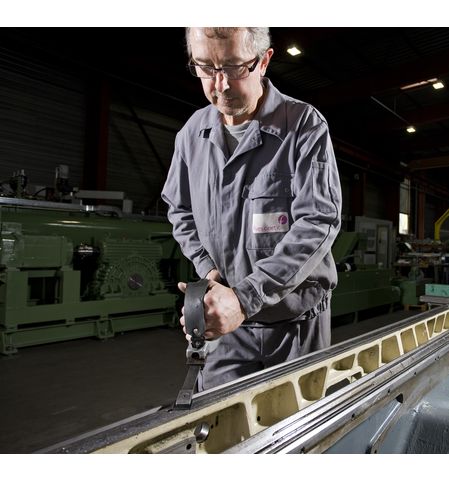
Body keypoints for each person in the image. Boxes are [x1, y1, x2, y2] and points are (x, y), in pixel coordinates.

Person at [161, 27, 342, 391]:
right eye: (205, 68)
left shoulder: (303, 126)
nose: (221, 85)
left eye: (234, 67)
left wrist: (245, 299)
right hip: (227, 330)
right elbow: (179, 209)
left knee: (300, 422)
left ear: (263, 61)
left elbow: (318, 220)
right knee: (223, 420)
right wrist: (208, 268)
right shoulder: (191, 136)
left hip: (295, 325)